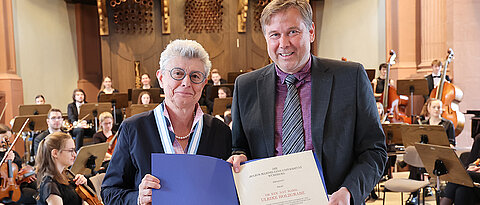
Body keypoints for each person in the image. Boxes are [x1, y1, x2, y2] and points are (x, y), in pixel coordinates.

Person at [227, 1, 387, 204]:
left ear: (311, 32)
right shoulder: (246, 86)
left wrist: (349, 191)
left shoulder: (350, 78)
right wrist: (239, 156)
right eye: (275, 34)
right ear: (266, 38)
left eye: (292, 32)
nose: (284, 44)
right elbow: (239, 147)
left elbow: (374, 151)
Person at [101, 39, 232, 205]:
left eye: (195, 76)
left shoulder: (220, 131)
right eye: (177, 73)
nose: (186, 82)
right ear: (161, 78)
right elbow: (109, 192)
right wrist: (138, 199)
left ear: (204, 84)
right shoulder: (133, 128)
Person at [35, 132, 89, 205]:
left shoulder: (66, 176)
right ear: (55, 153)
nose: (74, 154)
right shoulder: (50, 186)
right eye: (70, 150)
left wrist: (83, 190)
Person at [0, 124, 37, 205]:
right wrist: (6, 162)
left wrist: (26, 176)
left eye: (8, 138)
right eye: (4, 137)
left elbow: (18, 171)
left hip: (17, 185)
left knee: (38, 186)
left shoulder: (13, 153)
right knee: (35, 195)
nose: (7, 140)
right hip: (4, 190)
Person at [440, 134, 480, 204]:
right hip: (475, 178)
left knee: (462, 174)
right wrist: (472, 166)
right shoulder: (479, 138)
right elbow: (470, 162)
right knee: (461, 190)